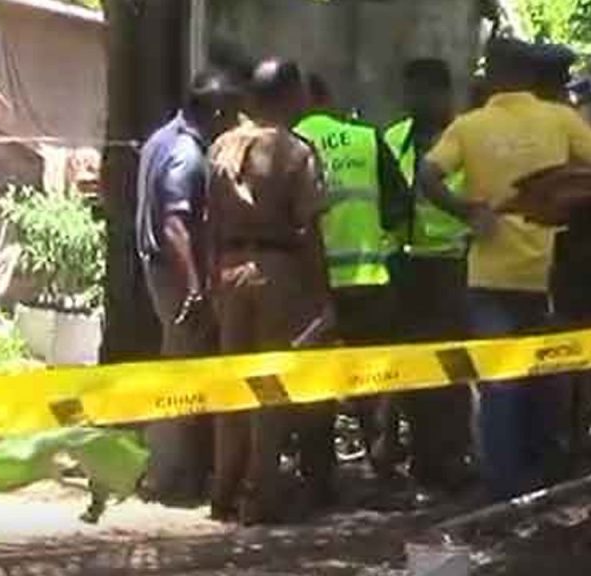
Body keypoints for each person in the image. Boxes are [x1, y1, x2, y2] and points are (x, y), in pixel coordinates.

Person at [416, 38, 591, 500]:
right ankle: (546, 476)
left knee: (500, 383)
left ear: (490, 75)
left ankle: (504, 485)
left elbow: (427, 175)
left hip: (489, 274)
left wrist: (467, 211)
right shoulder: (560, 119)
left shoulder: (469, 126)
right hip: (550, 270)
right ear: (530, 76)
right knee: (550, 376)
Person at [207, 58, 337, 524]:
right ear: (289, 97)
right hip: (276, 270)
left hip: (228, 268)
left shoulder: (221, 146)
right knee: (269, 386)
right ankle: (259, 493)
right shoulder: (295, 151)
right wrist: (322, 294)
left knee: (232, 384)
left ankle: (223, 489)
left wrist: (212, 277)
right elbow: (308, 228)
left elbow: (209, 220)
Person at [295, 75, 411, 483]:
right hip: (367, 278)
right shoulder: (366, 139)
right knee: (374, 380)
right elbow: (399, 209)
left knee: (313, 384)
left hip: (309, 289)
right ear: (328, 98)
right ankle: (382, 472)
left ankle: (317, 478)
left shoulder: (288, 143)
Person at [135, 68, 241, 505]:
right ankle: (170, 478)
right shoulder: (187, 153)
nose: (233, 122)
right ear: (215, 111)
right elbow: (175, 225)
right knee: (185, 374)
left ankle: (170, 472)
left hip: (161, 269)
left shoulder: (161, 138)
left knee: (177, 366)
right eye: (229, 112)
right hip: (177, 275)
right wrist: (196, 289)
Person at [384, 58, 472, 495]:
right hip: (406, 266)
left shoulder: (466, 138)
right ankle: (423, 457)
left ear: (442, 94)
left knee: (453, 369)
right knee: (413, 368)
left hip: (453, 263)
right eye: (409, 92)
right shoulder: (394, 138)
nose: (414, 101)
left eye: (423, 93)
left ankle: (453, 458)